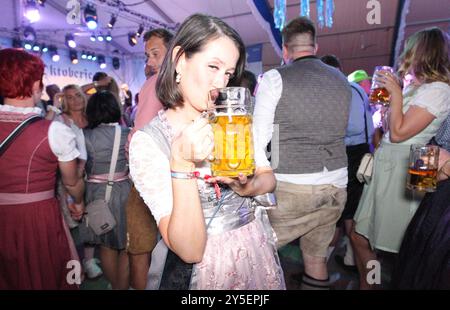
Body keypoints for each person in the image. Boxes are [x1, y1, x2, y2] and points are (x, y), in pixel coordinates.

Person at [129, 13, 285, 290]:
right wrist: (181, 163)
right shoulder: (149, 142)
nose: (220, 84)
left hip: (252, 248)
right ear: (180, 60)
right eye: (213, 66)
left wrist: (247, 187)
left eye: (227, 73)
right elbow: (190, 250)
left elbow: (268, 178)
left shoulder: (230, 121)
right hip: (200, 272)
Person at [253, 17, 351, 290]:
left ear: (285, 49)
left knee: (257, 254)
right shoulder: (341, 79)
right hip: (335, 185)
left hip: (292, 187)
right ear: (315, 45)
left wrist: (258, 185)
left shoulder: (275, 78)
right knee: (316, 260)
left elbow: (258, 137)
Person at [350, 27, 450, 289]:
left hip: (415, 165)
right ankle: (368, 284)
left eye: (411, 48)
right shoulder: (417, 87)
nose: (406, 53)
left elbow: (399, 132)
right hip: (390, 165)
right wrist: (386, 102)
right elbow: (388, 126)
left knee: (403, 245)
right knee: (360, 235)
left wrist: (394, 92)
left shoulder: (439, 88)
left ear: (423, 52)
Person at [0, 48, 85, 289]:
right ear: (37, 84)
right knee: (40, 274)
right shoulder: (54, 131)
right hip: (35, 218)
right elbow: (71, 182)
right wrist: (78, 201)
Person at [125, 28, 174, 290]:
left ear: (174, 52)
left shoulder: (156, 83)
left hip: (149, 178)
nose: (150, 62)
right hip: (176, 177)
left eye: (156, 54)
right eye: (147, 56)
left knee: (140, 248)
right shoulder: (180, 81)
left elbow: (141, 132)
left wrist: (130, 147)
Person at [321, 55, 374, 272]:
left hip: (351, 155)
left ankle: (321, 266)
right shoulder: (352, 89)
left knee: (344, 210)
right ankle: (349, 260)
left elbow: (352, 126)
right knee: (347, 210)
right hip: (353, 153)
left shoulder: (348, 90)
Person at [81, 91, 131, 289]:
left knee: (105, 245)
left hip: (95, 194)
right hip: (124, 191)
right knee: (127, 244)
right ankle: (122, 285)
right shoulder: (128, 133)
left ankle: (115, 285)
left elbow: (80, 169)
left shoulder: (85, 135)